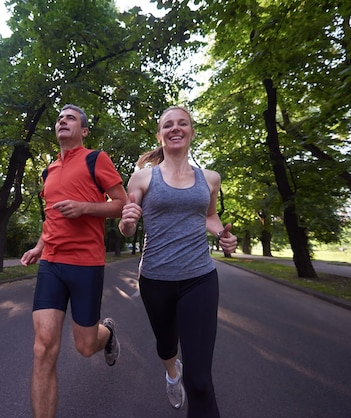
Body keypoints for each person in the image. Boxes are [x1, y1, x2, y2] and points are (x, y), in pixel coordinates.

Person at [118, 106, 237, 417]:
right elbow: (127, 225)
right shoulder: (142, 177)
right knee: (166, 344)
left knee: (200, 381)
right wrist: (127, 222)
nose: (175, 128)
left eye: (182, 123)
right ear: (160, 135)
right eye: (168, 124)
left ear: (191, 132)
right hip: (155, 279)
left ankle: (188, 380)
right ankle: (172, 372)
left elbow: (210, 216)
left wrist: (222, 236)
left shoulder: (210, 178)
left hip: (200, 278)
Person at [21, 104, 127, 418]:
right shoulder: (49, 171)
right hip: (52, 264)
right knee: (42, 349)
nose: (62, 121)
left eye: (70, 118)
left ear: (83, 131)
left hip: (86, 264)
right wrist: (40, 245)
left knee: (84, 346)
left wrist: (85, 208)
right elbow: (51, 217)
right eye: (59, 118)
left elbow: (122, 204)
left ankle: (106, 333)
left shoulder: (97, 159)